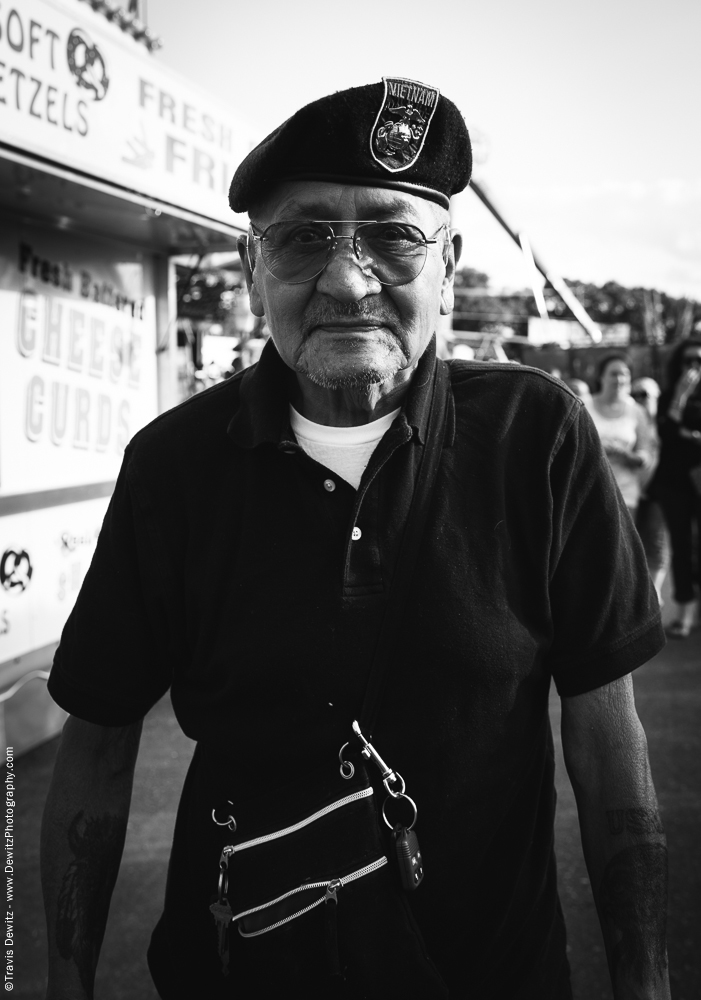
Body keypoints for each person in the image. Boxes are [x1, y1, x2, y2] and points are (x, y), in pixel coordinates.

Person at [41, 79, 670, 1000]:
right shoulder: (172, 467)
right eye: (302, 238)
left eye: (391, 235)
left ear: (449, 265)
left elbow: (609, 741)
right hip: (238, 969)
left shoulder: (537, 439)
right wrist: (64, 985)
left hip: (490, 977)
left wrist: (644, 985)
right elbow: (95, 747)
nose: (345, 278)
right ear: (253, 269)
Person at [648, 338, 701, 638]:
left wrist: (686, 432)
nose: (694, 367)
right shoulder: (670, 394)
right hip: (675, 484)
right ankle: (685, 613)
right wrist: (680, 397)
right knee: (680, 547)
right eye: (688, 361)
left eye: (699, 361)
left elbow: (679, 431)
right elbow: (667, 433)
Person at [586, 354, 656, 513]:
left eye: (624, 374)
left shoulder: (637, 411)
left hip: (625, 490)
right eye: (613, 373)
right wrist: (597, 448)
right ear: (600, 376)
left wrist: (626, 454)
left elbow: (646, 454)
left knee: (624, 537)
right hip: (589, 488)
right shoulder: (584, 406)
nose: (619, 379)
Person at [631, 377, 669, 601]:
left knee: (655, 543)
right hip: (629, 492)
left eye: (644, 394)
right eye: (634, 394)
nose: (638, 399)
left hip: (657, 492)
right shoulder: (629, 420)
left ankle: (654, 598)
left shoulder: (664, 423)